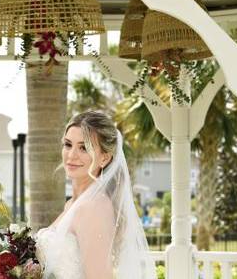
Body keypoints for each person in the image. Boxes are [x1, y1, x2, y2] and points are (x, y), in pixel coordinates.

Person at [36, 111, 156, 279]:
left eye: (84, 148)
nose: (71, 155)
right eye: (68, 144)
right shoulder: (72, 204)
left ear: (104, 159)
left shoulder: (93, 206)